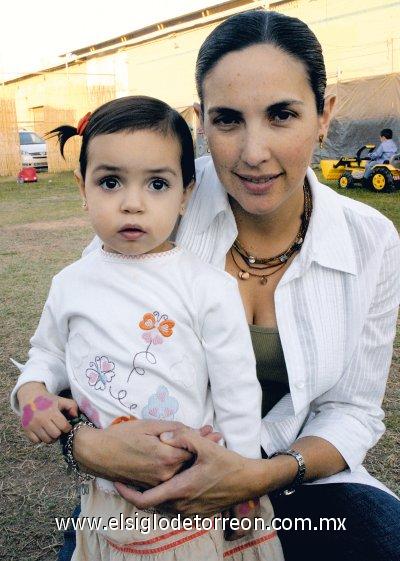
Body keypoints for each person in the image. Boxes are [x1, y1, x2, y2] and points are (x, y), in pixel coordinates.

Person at [24, 10, 400, 561]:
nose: (253, 151)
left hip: (294, 479)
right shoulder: (155, 209)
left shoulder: (372, 242)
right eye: (227, 120)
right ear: (201, 122)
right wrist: (93, 446)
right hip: (147, 483)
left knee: (379, 534)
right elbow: (71, 345)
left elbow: (354, 410)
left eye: (282, 115)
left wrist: (253, 474)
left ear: (324, 115)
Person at [10, 96, 284, 561]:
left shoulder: (207, 288)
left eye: (157, 183)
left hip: (194, 497)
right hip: (104, 501)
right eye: (111, 181)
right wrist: (32, 393)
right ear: (83, 187)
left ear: (186, 194)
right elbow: (49, 354)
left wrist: (241, 482)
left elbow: (237, 391)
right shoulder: (71, 283)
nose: (133, 204)